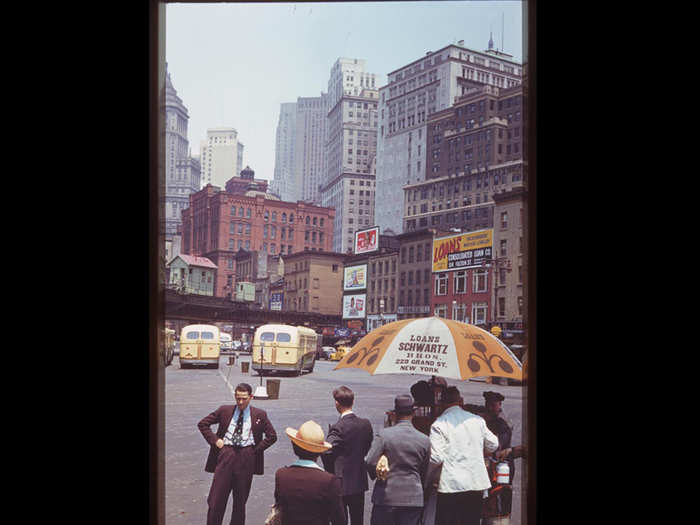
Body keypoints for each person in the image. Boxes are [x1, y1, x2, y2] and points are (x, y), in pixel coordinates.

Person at [198, 382, 278, 525]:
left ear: (251, 397)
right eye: (238, 398)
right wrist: (215, 440)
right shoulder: (224, 410)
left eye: (244, 399)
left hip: (246, 457)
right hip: (226, 455)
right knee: (216, 499)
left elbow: (272, 436)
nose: (240, 402)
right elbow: (203, 424)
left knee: (240, 502)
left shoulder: (260, 414)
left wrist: (255, 450)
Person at [427, 386, 499, 525]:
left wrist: (428, 478)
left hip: (451, 485)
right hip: (475, 482)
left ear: (442, 403)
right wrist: (478, 450)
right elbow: (493, 444)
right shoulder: (477, 420)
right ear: (461, 401)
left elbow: (436, 458)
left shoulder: (439, 424)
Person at [365, 394, 431, 525]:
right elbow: (426, 470)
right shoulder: (424, 439)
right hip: (413, 497)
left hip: (386, 496)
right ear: (413, 413)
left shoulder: (384, 435)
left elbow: (369, 460)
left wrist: (378, 475)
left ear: (395, 413)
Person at [274, 420, 347, 525]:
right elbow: (339, 520)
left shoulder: (281, 475)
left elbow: (279, 508)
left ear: (294, 447)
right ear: (319, 452)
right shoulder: (329, 481)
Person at [322, 386, 374, 525]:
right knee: (358, 520)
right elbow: (367, 446)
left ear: (337, 403)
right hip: (359, 479)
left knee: (340, 520)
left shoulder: (338, 427)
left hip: (341, 481)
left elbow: (326, 450)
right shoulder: (365, 424)